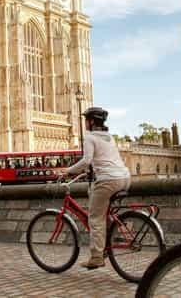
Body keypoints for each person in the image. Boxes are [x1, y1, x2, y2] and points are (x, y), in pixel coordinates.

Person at [63, 106, 130, 269]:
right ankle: (109, 239)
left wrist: (68, 171)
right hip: (125, 178)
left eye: (86, 120)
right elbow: (102, 159)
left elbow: (87, 160)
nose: (85, 123)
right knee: (103, 212)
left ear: (92, 121)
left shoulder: (90, 137)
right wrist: (90, 171)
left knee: (95, 218)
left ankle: (96, 257)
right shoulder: (109, 137)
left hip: (108, 181)